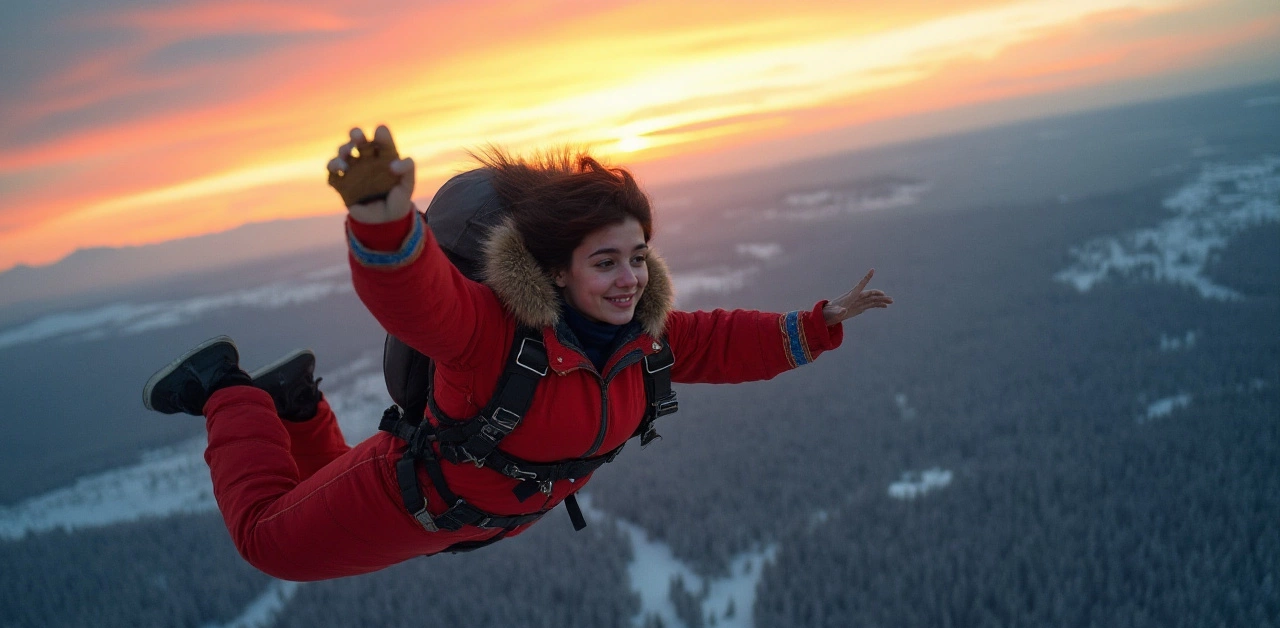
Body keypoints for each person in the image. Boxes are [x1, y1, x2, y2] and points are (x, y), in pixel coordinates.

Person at [142, 126, 893, 582]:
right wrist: (383, 221)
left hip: (474, 515)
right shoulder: (494, 336)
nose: (630, 278)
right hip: (414, 498)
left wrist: (821, 321)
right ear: (557, 269)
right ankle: (226, 390)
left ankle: (298, 405)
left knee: (312, 486)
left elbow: (731, 342)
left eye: (638, 256)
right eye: (605, 262)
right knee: (268, 539)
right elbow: (418, 296)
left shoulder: (643, 338)